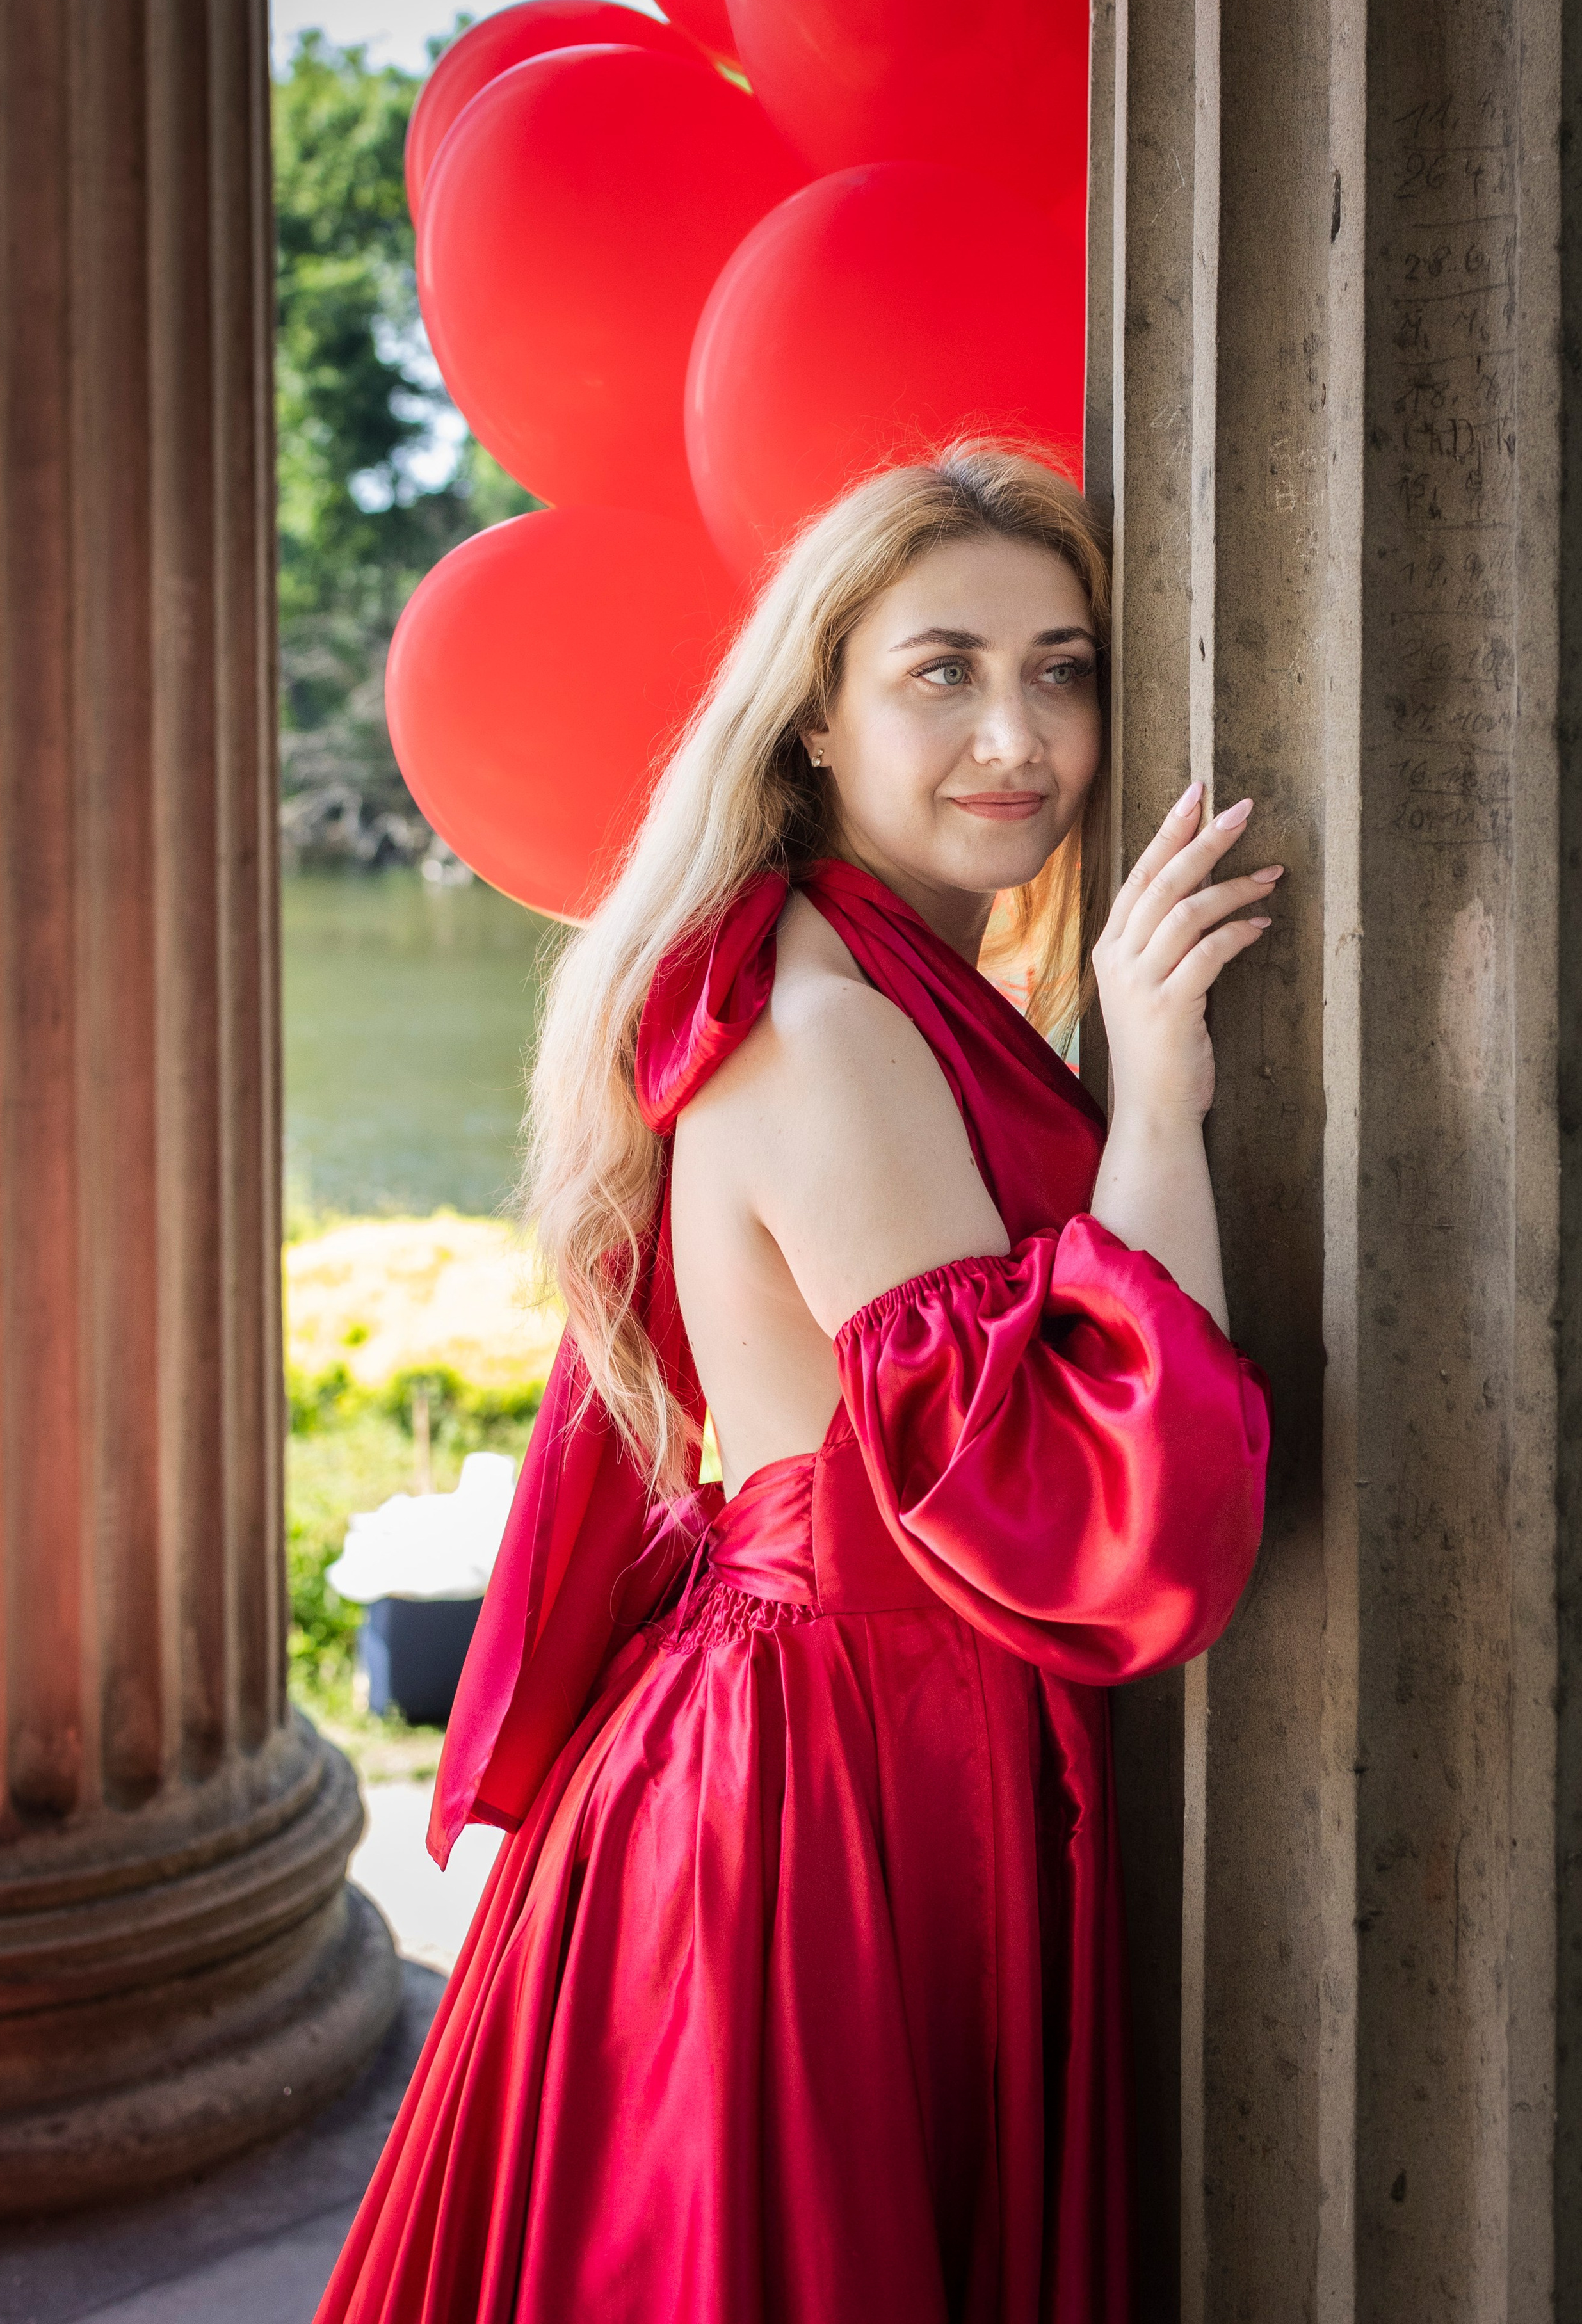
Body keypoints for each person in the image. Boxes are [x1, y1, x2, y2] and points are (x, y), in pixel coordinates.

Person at [316, 445, 1271, 2324]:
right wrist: (1157, 1093)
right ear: (816, 718)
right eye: (946, 670)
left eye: (1064, 667)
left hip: (853, 1743)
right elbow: (1096, 1514)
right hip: (823, 1798)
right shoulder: (827, 1031)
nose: (1022, 733)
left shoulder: (878, 975)